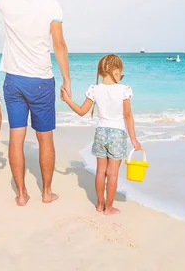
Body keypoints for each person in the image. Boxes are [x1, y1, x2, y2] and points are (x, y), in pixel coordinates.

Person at [0, 0, 71, 206]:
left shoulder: (8, 0)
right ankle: (47, 192)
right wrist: (67, 80)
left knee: (17, 138)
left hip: (14, 80)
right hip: (41, 80)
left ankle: (21, 194)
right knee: (45, 139)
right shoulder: (51, 4)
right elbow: (59, 44)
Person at [60, 54, 142, 215]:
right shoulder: (124, 90)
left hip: (101, 133)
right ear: (117, 71)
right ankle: (109, 208)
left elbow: (82, 111)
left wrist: (67, 100)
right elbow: (128, 116)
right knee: (112, 174)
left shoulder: (94, 89)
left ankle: (99, 205)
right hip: (117, 135)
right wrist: (133, 139)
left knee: (100, 171)